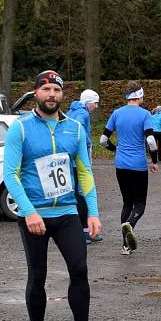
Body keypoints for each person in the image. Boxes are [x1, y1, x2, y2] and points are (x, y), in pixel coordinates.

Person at [3, 70, 108, 321]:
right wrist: (29, 212)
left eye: (56, 90)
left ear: (63, 95)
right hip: (34, 216)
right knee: (38, 275)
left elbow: (85, 172)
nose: (52, 94)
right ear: (35, 93)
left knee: (80, 269)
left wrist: (93, 212)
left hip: (66, 213)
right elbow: (10, 175)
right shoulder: (21, 128)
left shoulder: (74, 128)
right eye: (46, 89)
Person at [100, 81, 159, 255]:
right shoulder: (145, 114)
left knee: (127, 202)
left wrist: (115, 149)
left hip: (121, 164)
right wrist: (154, 161)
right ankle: (130, 225)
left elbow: (103, 140)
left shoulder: (117, 113)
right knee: (139, 203)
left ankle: (125, 245)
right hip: (138, 165)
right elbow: (150, 140)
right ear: (140, 96)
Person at [67, 89, 103, 243]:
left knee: (75, 192)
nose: (96, 106)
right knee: (84, 193)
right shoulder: (83, 113)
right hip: (80, 157)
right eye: (95, 103)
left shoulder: (71, 110)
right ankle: (85, 231)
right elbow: (78, 127)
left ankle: (79, 231)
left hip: (70, 159)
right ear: (88, 102)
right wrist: (83, 143)